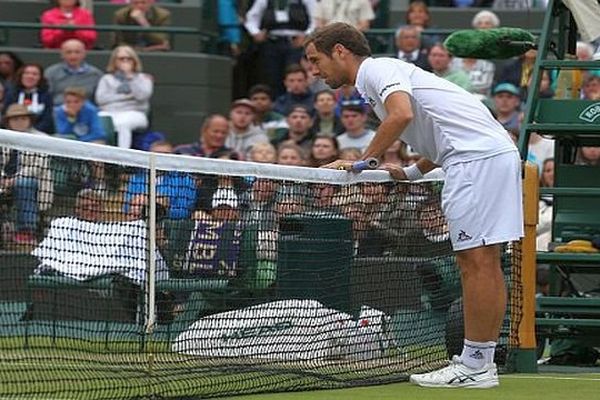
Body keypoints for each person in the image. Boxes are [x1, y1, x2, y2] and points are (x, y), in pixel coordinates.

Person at [304, 22, 523, 388]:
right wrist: (412, 171)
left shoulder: (376, 70)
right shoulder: (385, 75)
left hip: (474, 162)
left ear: (340, 51)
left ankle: (475, 366)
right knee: (485, 262)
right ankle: (479, 362)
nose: (314, 70)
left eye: (316, 59)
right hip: (488, 155)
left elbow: (401, 115)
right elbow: (442, 127)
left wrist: (364, 161)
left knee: (476, 263)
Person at [0, 104, 53, 246]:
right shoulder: (3, 138)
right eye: (15, 119)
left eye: (23, 118)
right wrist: (3, 178)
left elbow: (38, 166)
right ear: (8, 122)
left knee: (23, 183)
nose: (19, 122)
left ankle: (27, 230)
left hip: (35, 182)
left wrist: (13, 180)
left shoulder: (42, 139)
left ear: (30, 120)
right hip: (5, 181)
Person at [244, 0, 318, 96]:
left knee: (294, 73)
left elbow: (315, 18)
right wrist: (256, 32)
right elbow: (251, 17)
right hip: (272, 42)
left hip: (295, 43)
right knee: (271, 76)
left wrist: (307, 35)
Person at [95, 45, 153, 148]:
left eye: (129, 58)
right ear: (115, 61)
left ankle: (122, 158)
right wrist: (127, 97)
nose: (125, 62)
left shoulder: (143, 78)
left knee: (123, 123)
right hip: (110, 112)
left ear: (134, 60)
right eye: (121, 59)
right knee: (100, 118)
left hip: (135, 113)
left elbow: (142, 96)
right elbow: (101, 99)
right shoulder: (107, 79)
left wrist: (129, 77)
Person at [44, 39, 103, 105]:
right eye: (69, 52)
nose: (73, 56)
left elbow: (99, 99)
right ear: (62, 55)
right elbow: (46, 97)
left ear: (84, 54)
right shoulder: (51, 72)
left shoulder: (96, 74)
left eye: (77, 52)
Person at [3, 63, 54, 133]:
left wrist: (31, 132)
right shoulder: (11, 94)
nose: (30, 76)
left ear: (40, 77)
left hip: (38, 134)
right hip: (13, 132)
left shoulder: (46, 95)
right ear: (21, 75)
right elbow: (5, 115)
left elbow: (47, 119)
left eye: (35, 74)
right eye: (26, 73)